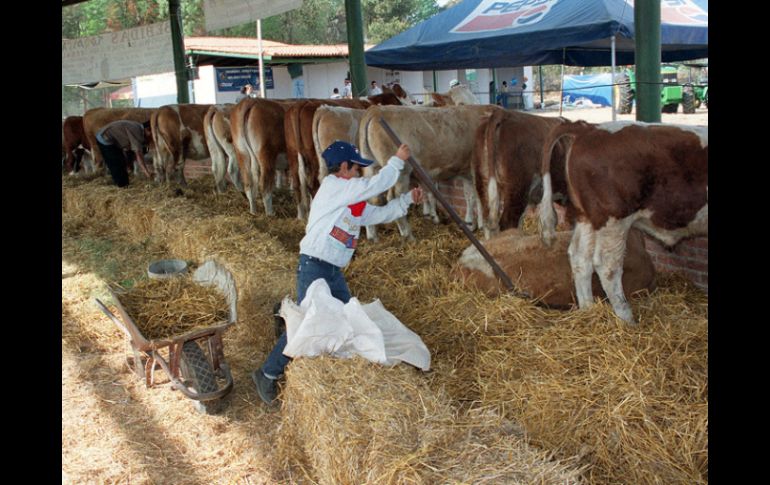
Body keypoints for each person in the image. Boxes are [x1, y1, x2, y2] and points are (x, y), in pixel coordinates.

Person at [252, 140, 425, 406]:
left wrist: (406, 200)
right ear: (343, 167)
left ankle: (333, 362)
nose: (358, 173)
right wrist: (397, 161)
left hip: (332, 271)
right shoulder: (334, 187)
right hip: (314, 265)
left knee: (347, 319)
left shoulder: (351, 200)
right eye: (356, 168)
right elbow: (375, 185)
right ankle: (267, 373)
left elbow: (379, 214)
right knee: (309, 322)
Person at [95, 119, 152, 187]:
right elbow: (138, 154)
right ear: (147, 129)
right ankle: (122, 185)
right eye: (151, 133)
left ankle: (122, 183)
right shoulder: (137, 131)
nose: (151, 136)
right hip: (105, 138)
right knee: (116, 163)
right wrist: (146, 172)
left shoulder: (137, 127)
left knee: (119, 162)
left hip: (106, 137)